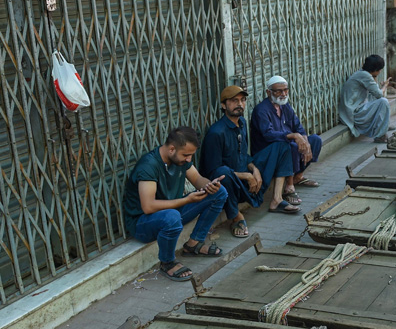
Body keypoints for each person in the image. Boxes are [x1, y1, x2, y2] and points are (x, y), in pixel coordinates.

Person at [122, 127, 227, 282]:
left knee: (220, 193)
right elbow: (148, 206)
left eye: (191, 155)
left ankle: (194, 244)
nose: (189, 159)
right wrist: (187, 200)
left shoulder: (181, 159)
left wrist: (210, 185)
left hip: (172, 212)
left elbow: (198, 179)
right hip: (142, 223)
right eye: (186, 155)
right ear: (172, 149)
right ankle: (167, 262)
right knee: (172, 216)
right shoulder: (149, 165)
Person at [200, 86, 299, 238]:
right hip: (230, 186)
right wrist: (246, 176)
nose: (239, 104)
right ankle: (235, 216)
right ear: (223, 105)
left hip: (247, 180)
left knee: (282, 145)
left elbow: (244, 155)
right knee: (223, 173)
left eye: (242, 100)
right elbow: (213, 172)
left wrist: (255, 170)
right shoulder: (216, 133)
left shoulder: (242, 123)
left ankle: (277, 199)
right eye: (234, 101)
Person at [250, 75, 323, 194]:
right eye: (279, 91)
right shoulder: (261, 110)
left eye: (285, 90)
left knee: (315, 140)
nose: (283, 94)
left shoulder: (285, 106)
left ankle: (298, 177)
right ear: (269, 92)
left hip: (287, 145)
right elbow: (269, 135)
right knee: (290, 146)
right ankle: (288, 187)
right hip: (268, 151)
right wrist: (293, 136)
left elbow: (298, 126)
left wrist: (305, 142)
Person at [339, 55, 393, 143]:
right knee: (383, 102)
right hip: (354, 113)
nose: (380, 72)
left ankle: (383, 126)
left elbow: (374, 91)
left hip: (355, 109)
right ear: (375, 70)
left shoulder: (362, 74)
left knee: (373, 96)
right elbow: (379, 94)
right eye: (379, 70)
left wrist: (378, 84)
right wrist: (385, 86)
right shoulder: (365, 76)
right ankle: (380, 135)